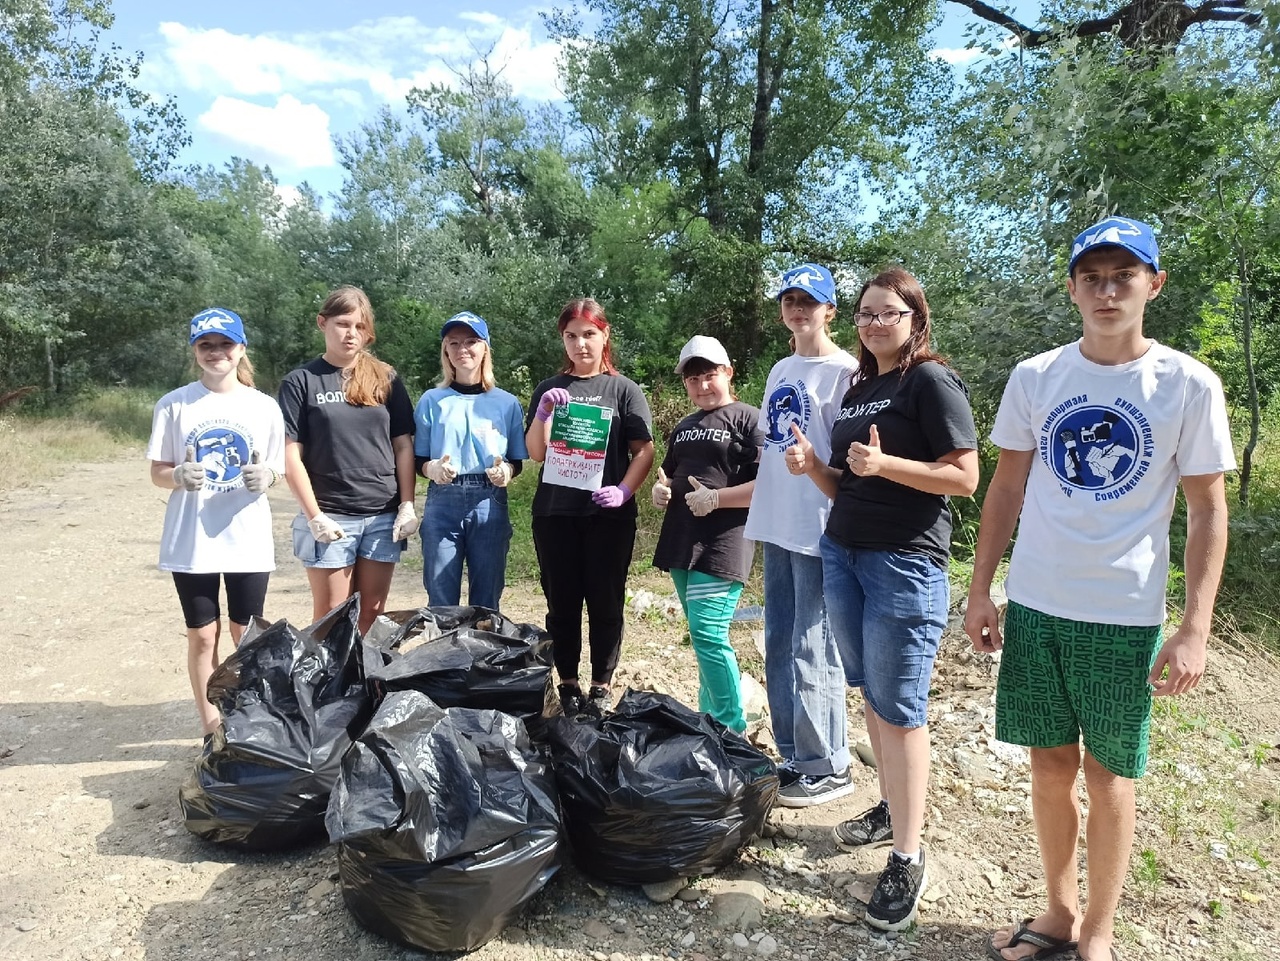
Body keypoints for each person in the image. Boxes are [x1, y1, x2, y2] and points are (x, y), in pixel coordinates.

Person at [964, 217, 1233, 961]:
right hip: (1039, 603)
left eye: (1124, 276)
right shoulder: (1037, 375)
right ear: (1074, 287)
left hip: (1124, 614)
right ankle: (1058, 912)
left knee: (1109, 775)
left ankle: (1099, 933)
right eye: (1093, 277)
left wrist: (1195, 626)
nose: (1108, 291)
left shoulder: (1186, 383)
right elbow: (1007, 486)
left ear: (1154, 283)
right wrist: (981, 588)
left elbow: (1208, 509)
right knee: (1049, 765)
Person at [788, 265, 979, 931]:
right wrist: (817, 466)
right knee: (871, 695)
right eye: (866, 312)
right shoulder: (862, 386)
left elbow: (965, 477)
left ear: (914, 318)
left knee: (901, 709)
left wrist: (887, 465)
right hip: (844, 552)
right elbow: (851, 484)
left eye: (887, 312)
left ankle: (907, 855)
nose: (874, 322)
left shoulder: (929, 379)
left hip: (904, 563)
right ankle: (894, 810)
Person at [742, 263, 858, 807]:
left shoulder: (846, 371)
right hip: (776, 520)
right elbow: (769, 441)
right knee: (780, 640)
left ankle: (829, 764)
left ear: (830, 310)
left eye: (809, 302)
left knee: (815, 645)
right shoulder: (780, 369)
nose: (798, 310)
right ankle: (793, 754)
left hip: (818, 524)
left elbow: (847, 454)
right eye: (790, 300)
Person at [147, 308, 286, 737]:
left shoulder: (263, 407)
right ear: (195, 351)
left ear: (241, 349)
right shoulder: (174, 404)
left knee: (246, 635)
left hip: (246, 537)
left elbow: (277, 467)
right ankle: (211, 728)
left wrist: (267, 477)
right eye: (206, 345)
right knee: (204, 637)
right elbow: (158, 471)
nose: (216, 353)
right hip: (193, 541)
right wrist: (177, 477)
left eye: (225, 344)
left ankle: (246, 721)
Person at [524, 298, 655, 718]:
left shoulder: (624, 390)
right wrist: (544, 413)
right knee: (561, 602)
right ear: (562, 339)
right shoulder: (549, 388)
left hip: (608, 517)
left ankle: (601, 685)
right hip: (555, 514)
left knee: (605, 601)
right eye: (571, 336)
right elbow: (536, 454)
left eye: (589, 334)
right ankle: (567, 682)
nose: (581, 344)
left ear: (605, 335)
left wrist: (624, 490)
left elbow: (644, 450)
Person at [277, 286, 417, 636]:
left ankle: (365, 687)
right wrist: (314, 516)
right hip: (331, 514)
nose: (351, 333)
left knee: (372, 611)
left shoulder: (386, 379)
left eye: (359, 326)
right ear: (322, 323)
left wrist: (407, 505)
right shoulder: (301, 382)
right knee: (331, 617)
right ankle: (327, 690)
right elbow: (290, 452)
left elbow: (403, 444)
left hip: (382, 515)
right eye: (343, 324)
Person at [651, 336, 764, 732]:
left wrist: (718, 499)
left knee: (709, 634)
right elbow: (669, 475)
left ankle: (731, 729)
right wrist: (660, 491)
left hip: (725, 540)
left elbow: (770, 484)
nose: (702, 386)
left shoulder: (750, 418)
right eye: (693, 379)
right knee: (701, 638)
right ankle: (707, 722)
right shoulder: (684, 426)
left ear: (728, 373)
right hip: (682, 540)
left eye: (710, 376)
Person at [412, 311, 528, 608]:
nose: (462, 349)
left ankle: (484, 652)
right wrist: (433, 468)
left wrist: (506, 471)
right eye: (454, 343)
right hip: (443, 500)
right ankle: (444, 654)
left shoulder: (506, 403)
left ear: (485, 348)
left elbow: (517, 459)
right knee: (440, 594)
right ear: (446, 351)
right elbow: (419, 459)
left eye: (471, 341)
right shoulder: (431, 401)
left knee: (487, 594)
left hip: (489, 500)